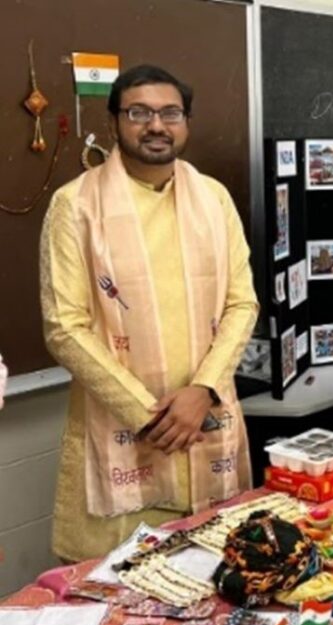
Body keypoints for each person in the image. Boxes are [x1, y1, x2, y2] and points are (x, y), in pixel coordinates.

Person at [40, 65, 258, 561]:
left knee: (215, 581)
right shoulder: (75, 205)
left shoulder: (214, 198)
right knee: (113, 591)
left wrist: (203, 391)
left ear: (186, 122)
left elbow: (242, 303)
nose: (156, 125)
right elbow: (64, 327)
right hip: (125, 431)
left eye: (170, 113)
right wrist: (150, 416)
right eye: (139, 113)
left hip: (208, 416)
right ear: (115, 121)